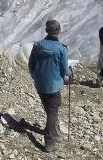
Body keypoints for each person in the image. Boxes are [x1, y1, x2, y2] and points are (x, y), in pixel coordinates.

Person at [28, 19, 72, 152]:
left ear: (47, 31)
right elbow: (65, 70)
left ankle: (52, 129)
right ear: (58, 31)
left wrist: (36, 77)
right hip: (53, 85)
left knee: (49, 108)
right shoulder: (61, 48)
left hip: (40, 84)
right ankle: (50, 140)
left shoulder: (37, 46)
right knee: (53, 111)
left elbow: (31, 65)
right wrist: (70, 72)